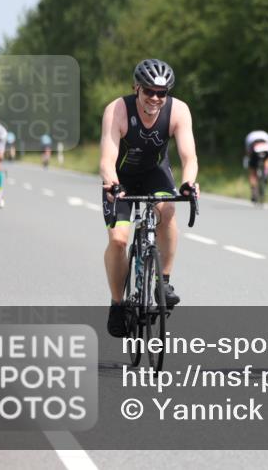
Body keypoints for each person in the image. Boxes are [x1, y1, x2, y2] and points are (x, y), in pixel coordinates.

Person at [99, 58, 200, 337]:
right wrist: (112, 184)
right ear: (136, 88)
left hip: (156, 173)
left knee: (167, 212)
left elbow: (189, 157)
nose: (155, 98)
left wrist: (189, 182)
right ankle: (118, 304)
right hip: (121, 179)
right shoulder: (117, 110)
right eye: (149, 91)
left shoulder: (179, 111)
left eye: (162, 92)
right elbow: (107, 159)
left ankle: (163, 281)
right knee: (119, 240)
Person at [243, 130, 268, 202]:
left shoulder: (249, 137)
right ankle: (266, 172)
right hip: (266, 147)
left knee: (253, 172)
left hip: (255, 148)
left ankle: (253, 192)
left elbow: (248, 152)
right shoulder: (265, 134)